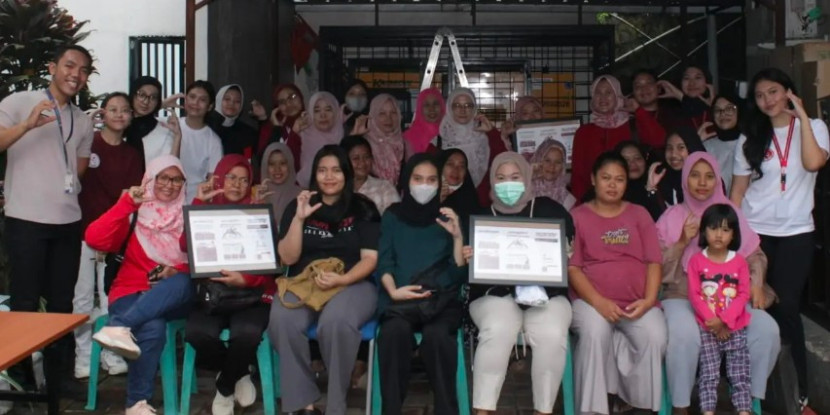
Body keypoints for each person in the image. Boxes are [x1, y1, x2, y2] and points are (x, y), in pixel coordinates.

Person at [730, 68, 829, 413]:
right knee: (754, 308)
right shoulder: (750, 138)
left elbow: (814, 163)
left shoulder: (814, 128)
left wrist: (801, 114)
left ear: (788, 92)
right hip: (755, 234)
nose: (767, 100)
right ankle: (759, 391)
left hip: (797, 233)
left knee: (786, 307)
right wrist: (734, 237)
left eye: (774, 92)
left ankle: (799, 396)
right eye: (760, 95)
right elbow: (738, 191)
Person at [0, 44, 95, 392]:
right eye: (70, 66)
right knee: (24, 302)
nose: (76, 74)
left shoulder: (83, 121)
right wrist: (27, 125)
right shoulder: (18, 103)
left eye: (84, 70)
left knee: (62, 304)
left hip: (67, 222)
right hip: (25, 219)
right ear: (53, 67)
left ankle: (57, 378)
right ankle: (21, 373)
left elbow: (79, 168)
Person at [655, 152, 779, 414]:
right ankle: (681, 405)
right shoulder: (672, 216)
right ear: (685, 179)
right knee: (684, 334)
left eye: (710, 176)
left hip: (731, 296)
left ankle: (747, 401)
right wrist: (680, 243)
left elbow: (754, 255)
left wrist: (756, 284)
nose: (702, 182)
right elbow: (655, 267)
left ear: (717, 180)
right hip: (682, 295)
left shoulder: (728, 212)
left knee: (766, 329)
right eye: (695, 175)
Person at [268, 145, 380, 415]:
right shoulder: (299, 205)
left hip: (354, 283)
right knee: (281, 319)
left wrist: (342, 280)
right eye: (322, 170)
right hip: (305, 283)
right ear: (314, 174)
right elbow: (287, 258)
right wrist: (299, 218)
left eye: (336, 170)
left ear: (347, 173)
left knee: (336, 322)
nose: (329, 177)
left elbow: (370, 259)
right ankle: (303, 405)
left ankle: (335, 404)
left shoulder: (363, 208)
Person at [464, 152, 574, 415]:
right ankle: (484, 409)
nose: (508, 184)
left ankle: (543, 410)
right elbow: (469, 267)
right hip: (494, 296)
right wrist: (468, 256)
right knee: (499, 327)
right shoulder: (481, 217)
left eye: (515, 177)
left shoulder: (549, 209)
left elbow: (569, 248)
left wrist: (565, 249)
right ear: (491, 181)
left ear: (526, 177)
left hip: (547, 295)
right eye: (500, 178)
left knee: (552, 333)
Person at [86, 155, 194, 415]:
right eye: (163, 178)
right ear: (150, 179)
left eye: (177, 179)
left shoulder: (189, 216)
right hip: (129, 292)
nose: (170, 184)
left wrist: (175, 269)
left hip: (172, 297)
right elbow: (94, 238)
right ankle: (136, 404)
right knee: (153, 327)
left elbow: (204, 262)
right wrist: (126, 205)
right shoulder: (135, 214)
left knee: (184, 280)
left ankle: (119, 326)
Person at [568, 152, 666, 415]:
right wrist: (599, 302)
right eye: (606, 178)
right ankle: (593, 409)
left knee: (655, 335)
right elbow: (573, 268)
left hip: (638, 302)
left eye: (619, 179)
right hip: (590, 302)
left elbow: (653, 262)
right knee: (595, 332)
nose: (612, 185)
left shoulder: (640, 214)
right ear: (593, 179)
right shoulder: (577, 217)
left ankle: (640, 405)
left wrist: (648, 301)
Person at [184, 154, 277, 415]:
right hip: (212, 295)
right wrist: (199, 202)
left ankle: (224, 386)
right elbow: (185, 246)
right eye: (231, 177)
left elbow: (271, 266)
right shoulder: (206, 206)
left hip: (250, 295)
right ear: (219, 178)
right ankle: (238, 372)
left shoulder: (257, 209)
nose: (237, 184)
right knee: (196, 333)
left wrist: (245, 279)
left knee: (247, 335)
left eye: (244, 179)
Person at [377, 154, 466, 415]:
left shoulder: (448, 217)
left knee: (438, 337)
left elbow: (458, 274)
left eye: (431, 180)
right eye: (418, 179)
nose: (424, 185)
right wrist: (394, 291)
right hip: (400, 301)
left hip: (441, 302)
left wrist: (458, 237)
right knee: (393, 334)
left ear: (439, 184)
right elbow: (385, 262)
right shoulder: (392, 216)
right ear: (407, 181)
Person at [73, 92, 144, 380]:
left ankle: (110, 353)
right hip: (82, 231)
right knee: (81, 297)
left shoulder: (131, 154)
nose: (119, 114)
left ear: (130, 117)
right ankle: (83, 356)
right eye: (112, 109)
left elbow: (132, 197)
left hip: (115, 236)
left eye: (124, 110)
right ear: (102, 113)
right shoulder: (89, 145)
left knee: (110, 296)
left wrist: (115, 234)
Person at [686, 203, 753, 415]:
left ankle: (743, 410)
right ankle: (708, 410)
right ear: (704, 230)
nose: (718, 235)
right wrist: (714, 322)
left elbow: (743, 294)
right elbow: (695, 295)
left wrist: (725, 320)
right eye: (714, 228)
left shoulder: (740, 262)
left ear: (734, 234)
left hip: (734, 326)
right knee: (709, 372)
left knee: (739, 372)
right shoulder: (696, 261)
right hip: (708, 328)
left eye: (725, 230)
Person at [570, 75, 665, 201]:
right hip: (594, 204)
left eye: (609, 92)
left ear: (618, 96)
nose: (603, 97)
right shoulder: (583, 132)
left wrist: (638, 111)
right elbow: (578, 175)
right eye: (598, 93)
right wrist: (582, 205)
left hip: (632, 201)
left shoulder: (632, 125)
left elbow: (660, 140)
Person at [431, 87, 507, 207]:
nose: (462, 110)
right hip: (445, 204)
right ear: (449, 108)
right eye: (457, 105)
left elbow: (504, 161)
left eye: (468, 105)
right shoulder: (439, 140)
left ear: (474, 109)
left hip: (480, 205)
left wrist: (492, 133)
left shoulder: (485, 136)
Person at [644, 126, 705, 217]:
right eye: (669, 148)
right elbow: (657, 220)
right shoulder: (662, 178)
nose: (673, 154)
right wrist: (651, 189)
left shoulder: (708, 179)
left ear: (692, 148)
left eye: (681, 147)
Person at [179, 80, 224, 201]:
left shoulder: (213, 140)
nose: (195, 103)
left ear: (210, 106)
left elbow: (212, 180)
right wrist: (162, 104)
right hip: (163, 202)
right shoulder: (171, 124)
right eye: (192, 97)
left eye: (202, 100)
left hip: (194, 202)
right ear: (185, 99)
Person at [124, 76, 182, 168]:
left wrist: (178, 136)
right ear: (132, 95)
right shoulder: (120, 125)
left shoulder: (164, 130)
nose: (146, 102)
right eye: (142, 95)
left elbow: (171, 168)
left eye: (153, 97)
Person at [351, 93, 405, 185]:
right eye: (382, 113)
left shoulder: (405, 144)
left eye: (393, 113)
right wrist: (353, 136)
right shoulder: (364, 145)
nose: (388, 118)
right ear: (373, 115)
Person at [295, 91, 345, 188]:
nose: (323, 115)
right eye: (317, 111)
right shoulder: (301, 136)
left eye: (328, 109)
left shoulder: (344, 136)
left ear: (336, 112)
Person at [341, 135, 400, 214]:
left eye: (366, 157)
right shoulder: (336, 189)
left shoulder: (384, 188)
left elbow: (393, 221)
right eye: (356, 158)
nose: (362, 163)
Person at [627, 69, 682, 151]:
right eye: (638, 86)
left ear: (659, 89)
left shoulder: (674, 113)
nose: (644, 88)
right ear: (633, 94)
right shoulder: (628, 120)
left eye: (649, 83)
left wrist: (679, 95)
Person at [251, 84, 305, 168]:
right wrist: (277, 129)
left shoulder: (314, 122)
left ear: (301, 97)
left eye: (293, 96)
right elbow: (264, 161)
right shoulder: (271, 127)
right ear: (277, 107)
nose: (288, 103)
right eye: (282, 102)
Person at [699, 93, 744, 193]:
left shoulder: (750, 144)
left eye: (729, 109)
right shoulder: (706, 146)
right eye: (718, 110)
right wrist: (695, 144)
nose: (723, 114)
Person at [657, 65, 715, 131]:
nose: (692, 83)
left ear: (707, 81)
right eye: (686, 78)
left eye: (698, 77)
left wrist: (715, 106)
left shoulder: (717, 106)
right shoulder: (670, 112)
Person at [207, 84, 258, 159]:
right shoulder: (206, 126)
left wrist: (263, 119)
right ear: (219, 99)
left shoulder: (247, 133)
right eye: (227, 99)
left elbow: (247, 160)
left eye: (237, 101)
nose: (231, 104)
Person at [615, 141, 661, 219]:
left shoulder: (658, 182)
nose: (632, 164)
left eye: (637, 158)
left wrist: (651, 190)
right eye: (626, 160)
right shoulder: (610, 190)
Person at [260, 142, 302, 224]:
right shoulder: (256, 195)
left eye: (282, 163)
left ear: (290, 164)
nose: (277, 169)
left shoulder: (302, 196)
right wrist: (257, 204)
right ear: (265, 167)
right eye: (272, 164)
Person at [438, 148, 481, 228]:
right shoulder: (428, 195)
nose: (456, 170)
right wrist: (437, 200)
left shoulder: (470, 199)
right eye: (450, 164)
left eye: (461, 166)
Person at [530, 138, 576, 210]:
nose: (552, 166)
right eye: (547, 160)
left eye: (557, 162)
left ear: (562, 166)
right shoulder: (525, 192)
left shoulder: (567, 199)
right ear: (539, 161)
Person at [403, 88, 445, 154]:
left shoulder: (449, 133)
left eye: (435, 104)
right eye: (426, 105)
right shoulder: (409, 138)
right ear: (420, 109)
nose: (432, 109)